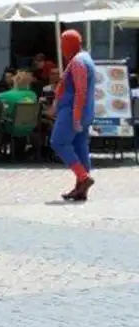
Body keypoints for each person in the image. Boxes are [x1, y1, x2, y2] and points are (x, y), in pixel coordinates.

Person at [50, 29, 95, 201]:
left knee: (58, 142)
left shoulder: (77, 62)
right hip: (86, 111)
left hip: (72, 111)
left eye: (63, 44)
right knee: (80, 146)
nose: (62, 48)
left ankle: (83, 177)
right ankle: (80, 190)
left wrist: (76, 116)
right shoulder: (86, 58)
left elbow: (80, 91)